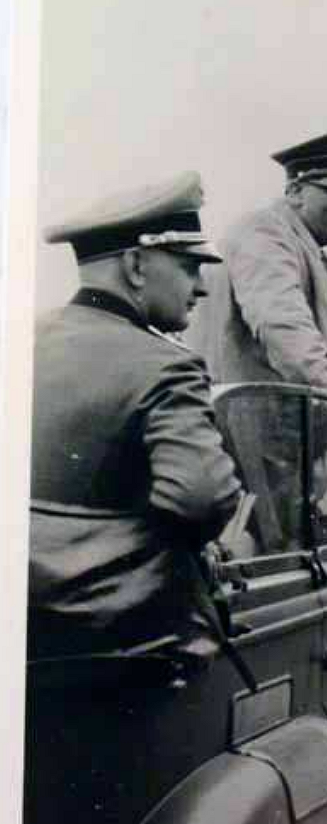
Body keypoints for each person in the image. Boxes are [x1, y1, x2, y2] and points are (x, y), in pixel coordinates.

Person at [27, 172, 245, 823]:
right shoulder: (163, 364)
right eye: (189, 266)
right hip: (115, 670)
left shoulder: (23, 340)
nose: (201, 287)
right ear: (136, 265)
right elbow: (203, 498)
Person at [191, 131, 327, 426]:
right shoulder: (265, 234)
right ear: (295, 191)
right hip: (244, 431)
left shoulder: (293, 243)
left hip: (263, 426)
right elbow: (280, 324)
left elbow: (282, 354)